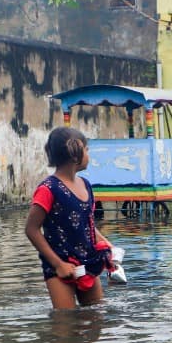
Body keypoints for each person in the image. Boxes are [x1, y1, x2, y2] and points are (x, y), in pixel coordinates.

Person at [25, 127, 115, 310]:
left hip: (88, 261)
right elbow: (31, 229)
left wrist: (106, 245)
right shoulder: (48, 189)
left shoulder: (86, 185)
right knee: (65, 322)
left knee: (95, 317)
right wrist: (58, 264)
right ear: (75, 153)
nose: (89, 155)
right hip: (59, 268)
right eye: (87, 150)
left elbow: (86, 223)